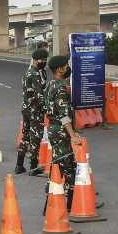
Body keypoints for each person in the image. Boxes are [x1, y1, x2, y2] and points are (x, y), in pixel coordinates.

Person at [44, 55, 83, 208]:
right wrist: (72, 135)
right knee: (67, 167)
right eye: (65, 65)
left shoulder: (50, 84)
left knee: (57, 165)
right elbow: (63, 115)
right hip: (60, 131)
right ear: (59, 69)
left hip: (53, 129)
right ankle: (70, 204)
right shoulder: (60, 87)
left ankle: (50, 203)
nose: (67, 68)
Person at [15, 48, 49, 175]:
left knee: (26, 136)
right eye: (43, 60)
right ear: (36, 60)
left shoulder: (32, 72)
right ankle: (33, 167)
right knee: (35, 137)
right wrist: (48, 109)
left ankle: (19, 165)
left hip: (27, 108)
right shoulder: (34, 74)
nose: (44, 62)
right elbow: (40, 95)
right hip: (34, 110)